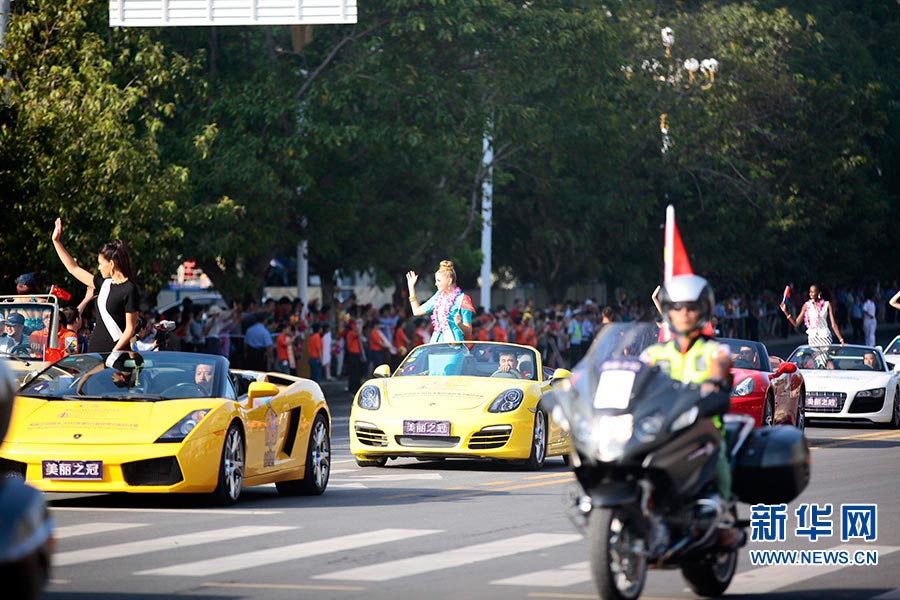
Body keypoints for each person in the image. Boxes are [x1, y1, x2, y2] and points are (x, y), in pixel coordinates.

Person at [640, 274, 737, 548]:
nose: (684, 313)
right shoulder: (654, 353)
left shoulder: (715, 351)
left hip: (701, 429)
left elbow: (721, 368)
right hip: (662, 430)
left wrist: (712, 384)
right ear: (668, 311)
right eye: (678, 307)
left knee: (716, 458)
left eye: (691, 307)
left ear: (703, 311)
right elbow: (635, 377)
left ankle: (724, 517)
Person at [51, 218, 139, 353]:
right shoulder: (103, 284)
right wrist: (56, 241)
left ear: (111, 264)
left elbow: (130, 329)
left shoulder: (129, 289)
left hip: (117, 353)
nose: (98, 268)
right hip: (95, 352)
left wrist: (115, 351)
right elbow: (73, 268)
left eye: (100, 263)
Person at [406, 260, 474, 342]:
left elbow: (468, 332)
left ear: (449, 280)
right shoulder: (438, 297)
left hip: (453, 348)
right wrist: (411, 288)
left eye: (438, 280)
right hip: (436, 346)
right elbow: (416, 311)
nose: (436, 284)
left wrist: (459, 324)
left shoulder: (463, 299)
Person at [780, 284, 844, 367]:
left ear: (819, 293)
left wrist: (841, 340)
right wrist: (785, 311)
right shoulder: (806, 306)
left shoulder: (827, 304)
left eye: (813, 292)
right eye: (810, 292)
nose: (810, 294)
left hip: (825, 337)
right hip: (813, 339)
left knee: (825, 360)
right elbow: (796, 323)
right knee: (817, 362)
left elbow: (833, 324)